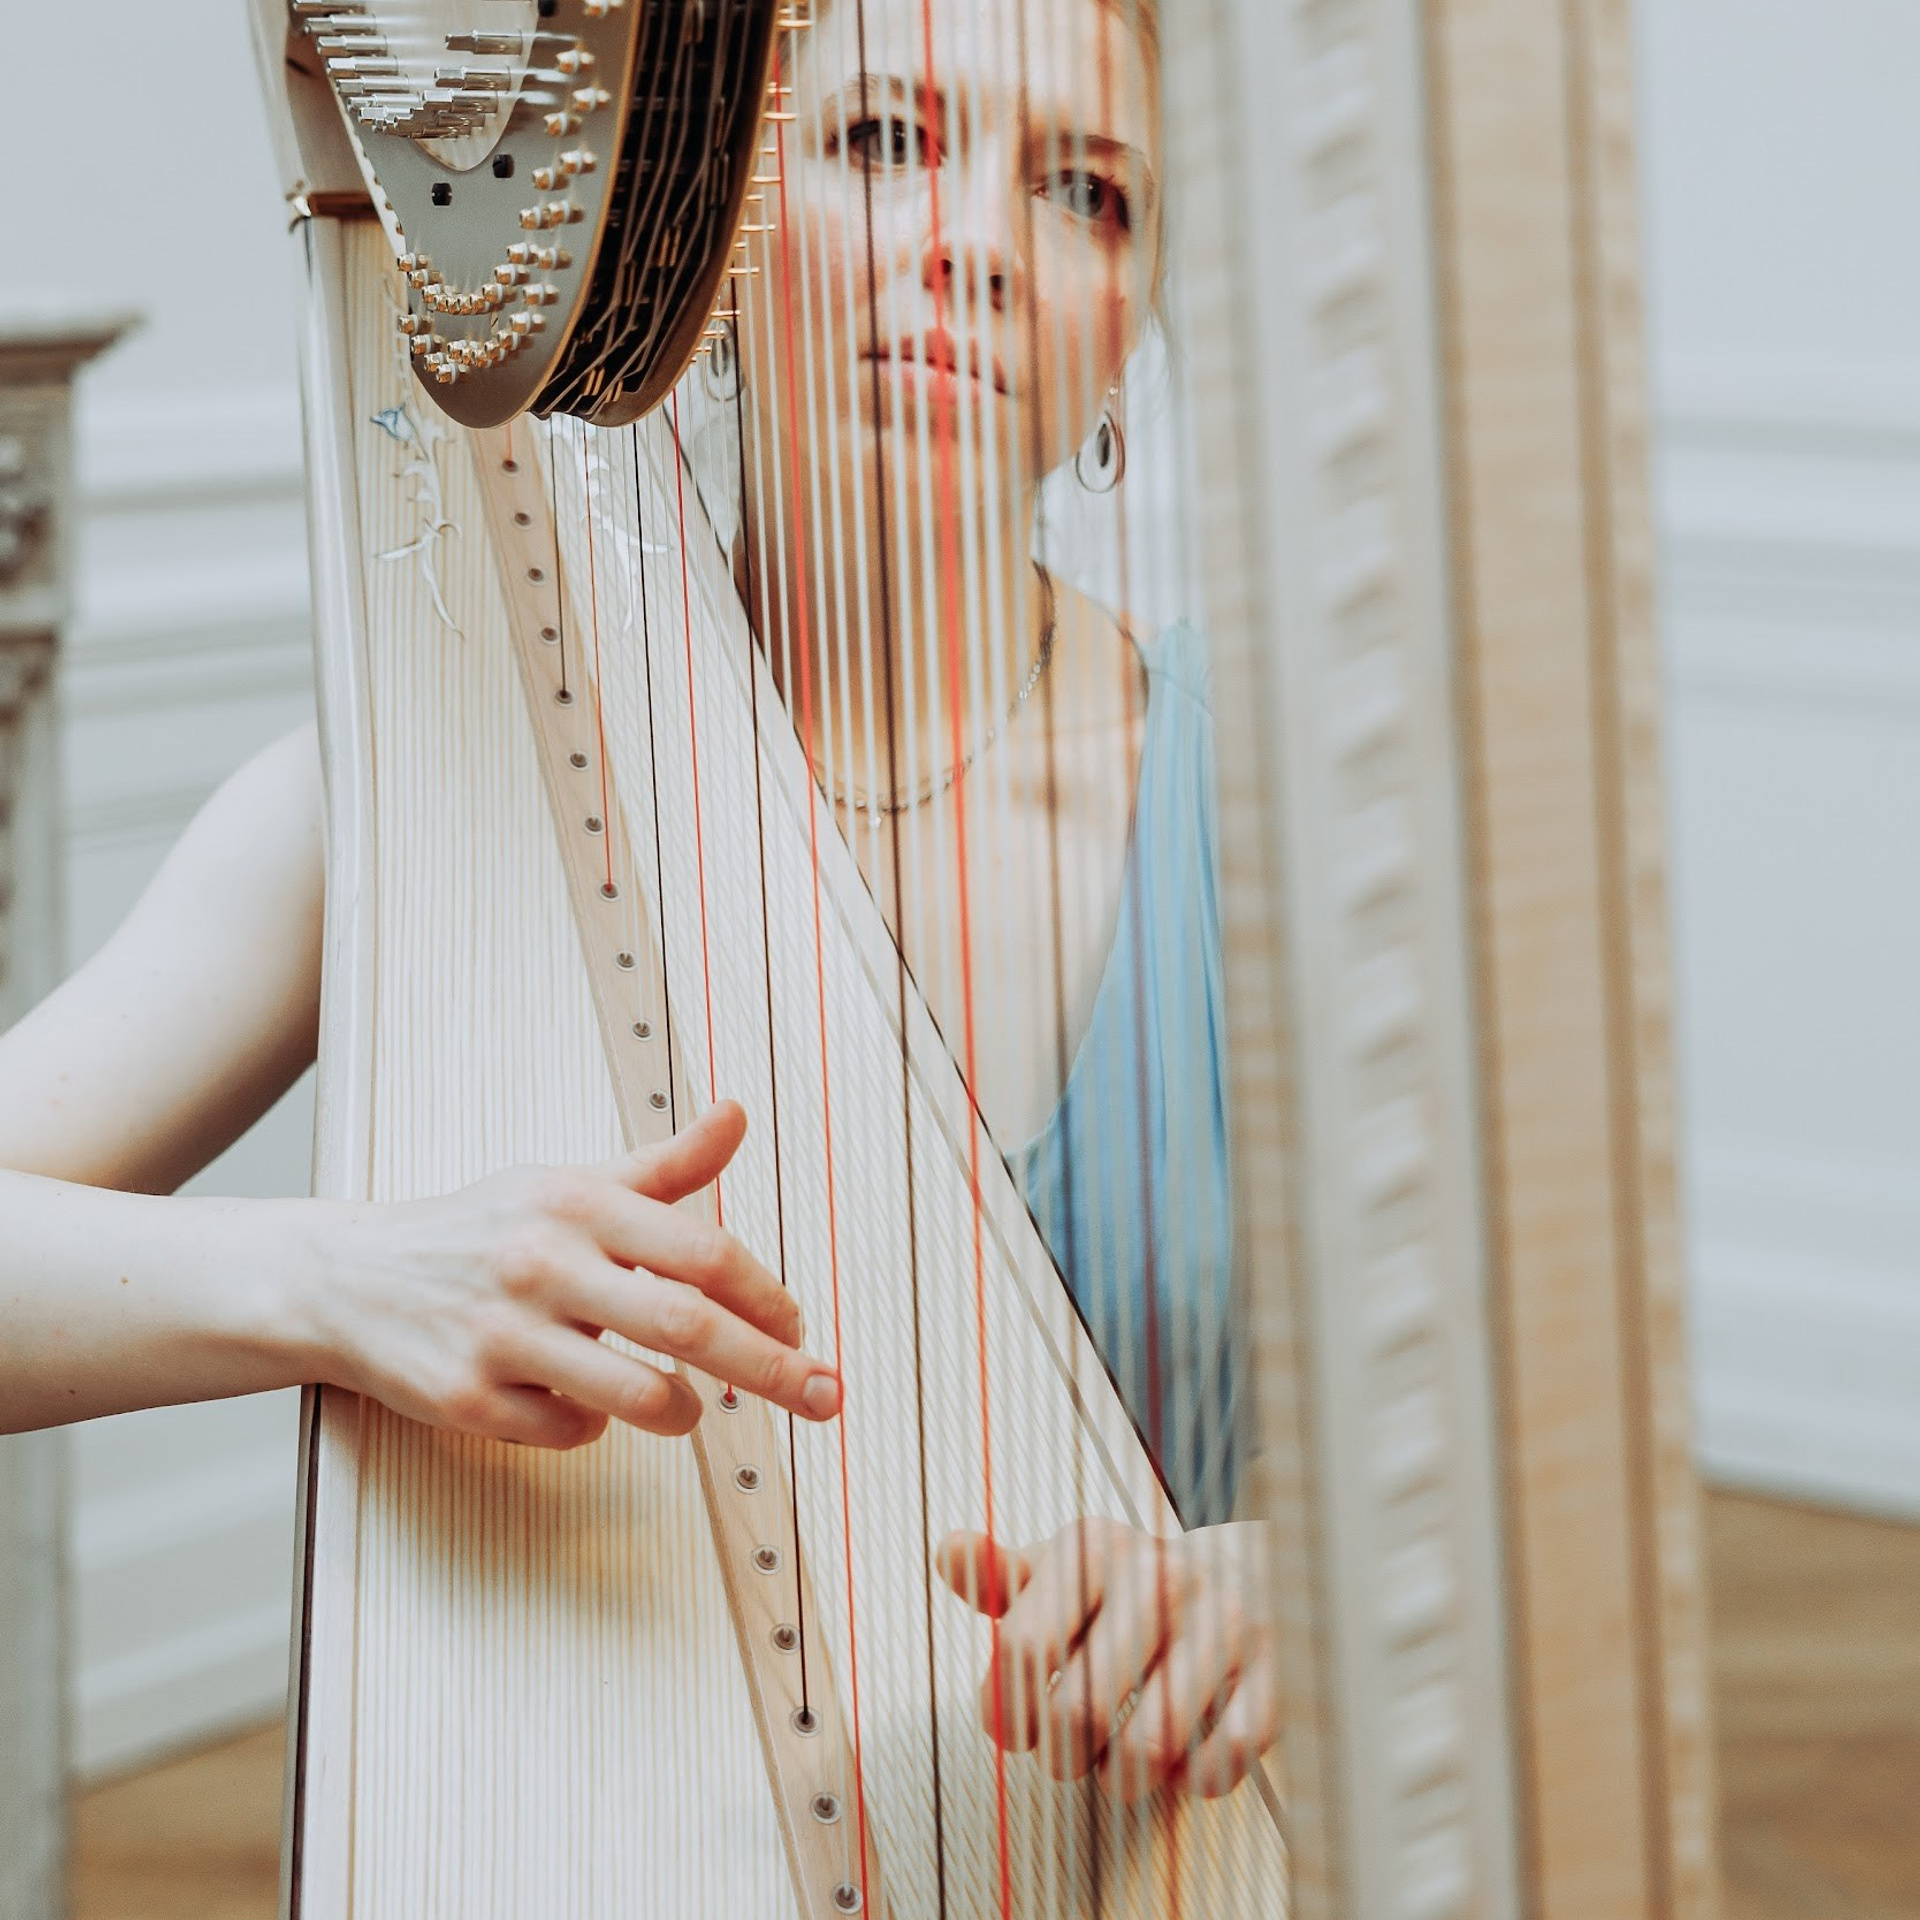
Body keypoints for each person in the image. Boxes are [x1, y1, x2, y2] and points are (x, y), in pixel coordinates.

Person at [0, 0, 1274, 1817]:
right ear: (707, 223)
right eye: (885, 142)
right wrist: (343, 1280)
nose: (977, 245)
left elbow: (1503, 1455)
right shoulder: (416, 784)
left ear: (1133, 312)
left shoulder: (1274, 810)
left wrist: (1265, 1586)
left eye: (1083, 189)